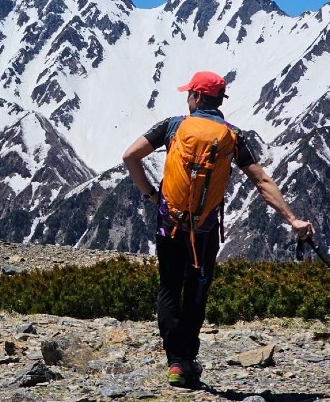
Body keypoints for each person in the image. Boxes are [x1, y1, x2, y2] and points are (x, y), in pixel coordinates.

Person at [122, 70, 315, 389]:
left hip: (168, 225)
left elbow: (130, 156)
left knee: (169, 288)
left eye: (189, 93)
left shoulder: (173, 126)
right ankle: (186, 359)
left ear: (196, 97)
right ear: (218, 100)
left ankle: (177, 362)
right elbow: (262, 181)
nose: (187, 98)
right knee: (196, 293)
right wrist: (292, 219)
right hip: (205, 229)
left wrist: (151, 196)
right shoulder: (233, 135)